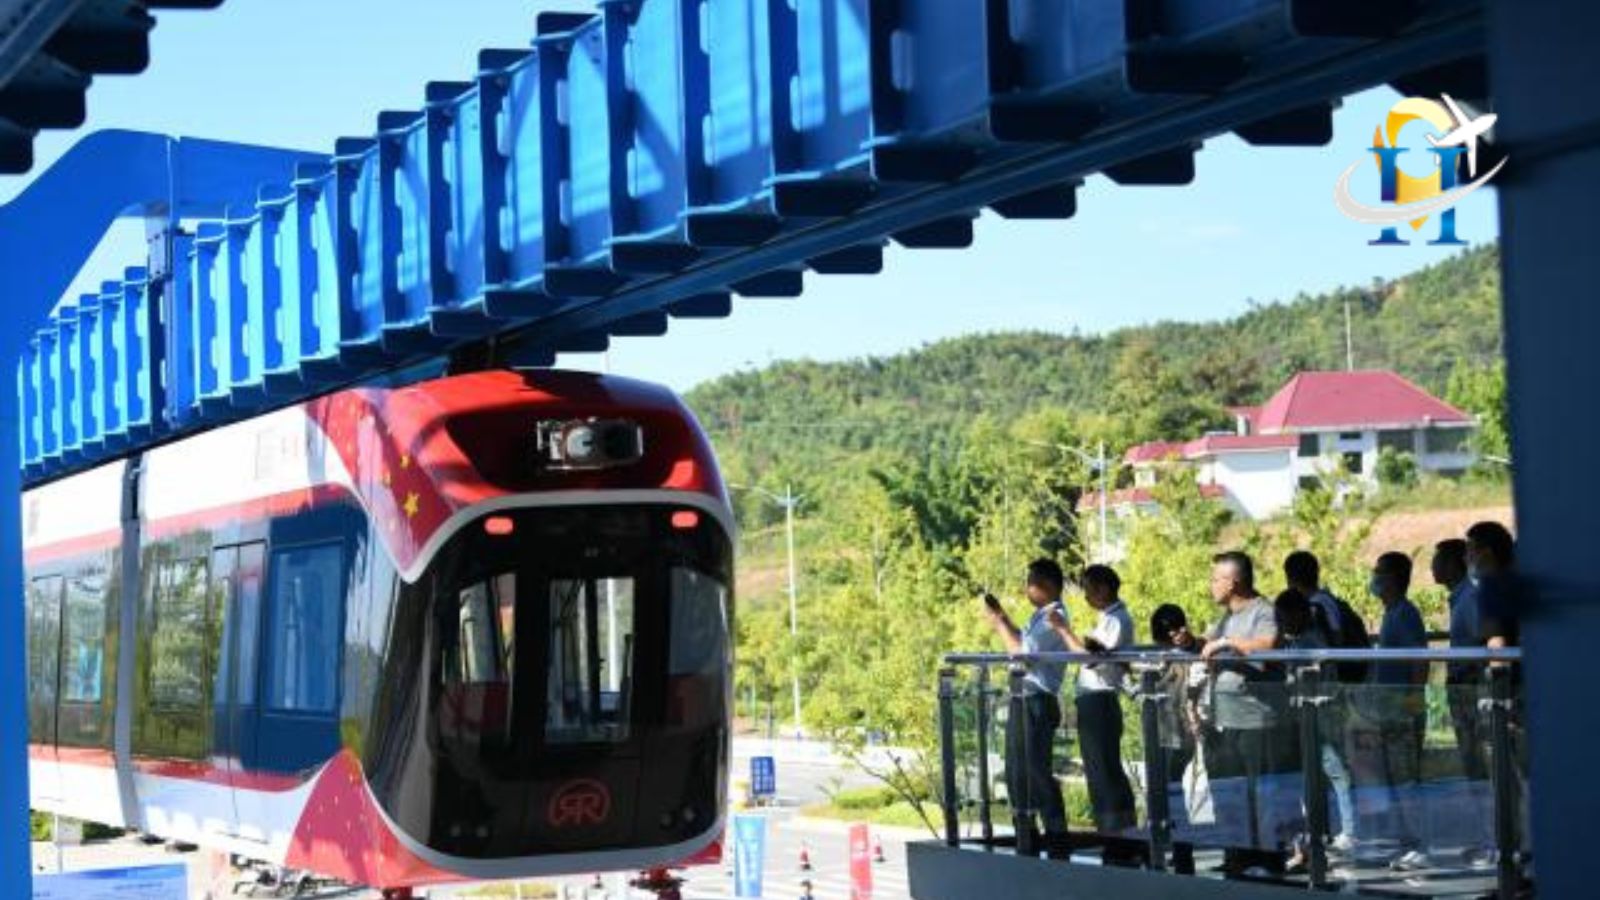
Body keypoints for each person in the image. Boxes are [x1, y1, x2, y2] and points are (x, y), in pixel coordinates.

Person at [1199, 551, 1285, 876]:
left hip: (1256, 720)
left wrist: (1225, 643)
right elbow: (1209, 645)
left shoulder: (1264, 611)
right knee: (1229, 792)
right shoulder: (1225, 618)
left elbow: (1269, 644)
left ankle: (1269, 858)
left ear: (1233, 582)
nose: (1211, 585)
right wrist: (1192, 640)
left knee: (1261, 793)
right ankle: (1237, 853)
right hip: (1225, 719)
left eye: (1215, 579)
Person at [981, 558, 1072, 859]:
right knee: (1017, 770)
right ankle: (1027, 832)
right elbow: (1023, 642)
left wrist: (998, 625)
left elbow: (1022, 655)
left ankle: (1055, 835)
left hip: (1036, 699)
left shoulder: (1053, 618)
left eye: (1031, 583)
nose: (1026, 589)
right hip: (1025, 698)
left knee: (1034, 771)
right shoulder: (1041, 616)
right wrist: (1003, 619)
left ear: (1047, 585)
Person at [1046, 565, 1137, 838]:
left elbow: (1091, 659)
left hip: (1100, 699)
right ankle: (1114, 830)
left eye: (1088, 590)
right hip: (1093, 699)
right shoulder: (1108, 618)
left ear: (1104, 589)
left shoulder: (1117, 620)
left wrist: (1063, 630)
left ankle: (1118, 833)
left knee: (1103, 768)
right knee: (1100, 768)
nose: (1086, 597)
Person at [1282, 551, 1360, 855]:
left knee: (1334, 768)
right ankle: (1323, 829)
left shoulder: (1313, 621)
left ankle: (1347, 830)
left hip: (1323, 706)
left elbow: (1328, 656)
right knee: (1321, 770)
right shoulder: (1325, 607)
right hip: (1318, 705)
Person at [1361, 552, 1430, 872]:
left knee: (1406, 782)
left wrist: (1412, 707)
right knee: (1395, 781)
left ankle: (1420, 846)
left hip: (1403, 714)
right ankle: (1407, 843)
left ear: (1393, 577)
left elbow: (1420, 662)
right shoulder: (1391, 613)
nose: (1374, 577)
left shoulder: (1405, 614)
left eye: (1379, 571)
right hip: (1388, 713)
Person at [1465, 520, 1528, 868]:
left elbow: (1496, 642)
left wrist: (1497, 694)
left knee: (1508, 779)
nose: (1467, 557)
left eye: (1470, 549)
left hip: (1509, 697)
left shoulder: (1493, 586)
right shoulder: (1520, 581)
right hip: (1529, 693)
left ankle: (1512, 854)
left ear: (1486, 552)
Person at [1149, 603, 1202, 873]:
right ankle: (1177, 850)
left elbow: (1200, 647)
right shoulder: (1166, 657)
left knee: (1170, 792)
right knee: (1169, 792)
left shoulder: (1184, 656)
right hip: (1170, 732)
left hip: (1176, 733)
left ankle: (1181, 852)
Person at [1434, 539, 1486, 781]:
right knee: (1468, 749)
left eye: (1438, 560)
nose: (1432, 566)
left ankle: (1482, 792)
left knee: (1474, 749)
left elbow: (1482, 639)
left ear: (1453, 565)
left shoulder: (1469, 599)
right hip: (1462, 684)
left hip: (1469, 685)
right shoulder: (1460, 598)